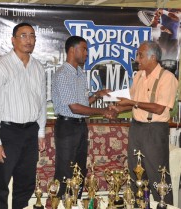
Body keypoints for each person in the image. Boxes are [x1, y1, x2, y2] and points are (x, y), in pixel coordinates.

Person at [0, 22, 46, 209]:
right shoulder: (0, 67)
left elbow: (42, 101)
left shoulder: (38, 67)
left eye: (32, 36)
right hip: (8, 132)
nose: (29, 40)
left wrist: (41, 132)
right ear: (13, 40)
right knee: (1, 184)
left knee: (26, 182)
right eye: (23, 36)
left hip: (31, 131)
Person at [51, 36, 117, 200]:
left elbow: (82, 102)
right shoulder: (63, 74)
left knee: (80, 171)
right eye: (84, 49)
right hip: (67, 127)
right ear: (72, 50)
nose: (87, 53)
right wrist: (102, 112)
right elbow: (74, 108)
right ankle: (61, 204)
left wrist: (97, 95)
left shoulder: (80, 73)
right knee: (65, 172)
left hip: (80, 126)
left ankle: (75, 203)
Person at [112, 40, 177, 204]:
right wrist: (115, 108)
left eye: (140, 55)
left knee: (158, 175)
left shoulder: (167, 77)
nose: (137, 59)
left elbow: (159, 109)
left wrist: (131, 103)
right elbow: (133, 100)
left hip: (154, 131)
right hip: (136, 129)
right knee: (136, 174)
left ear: (153, 57)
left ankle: (163, 206)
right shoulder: (139, 75)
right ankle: (139, 205)